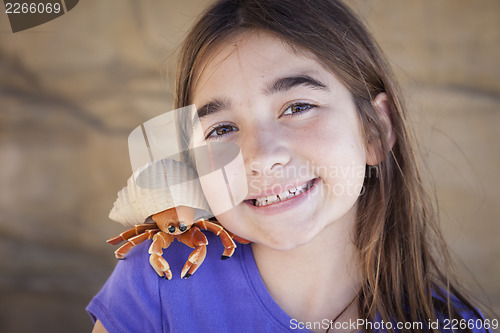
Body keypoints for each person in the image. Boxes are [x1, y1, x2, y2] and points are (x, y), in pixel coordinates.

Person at [87, 0, 496, 332]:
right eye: (221, 129)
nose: (261, 156)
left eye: (299, 106)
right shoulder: (159, 284)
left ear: (374, 130)